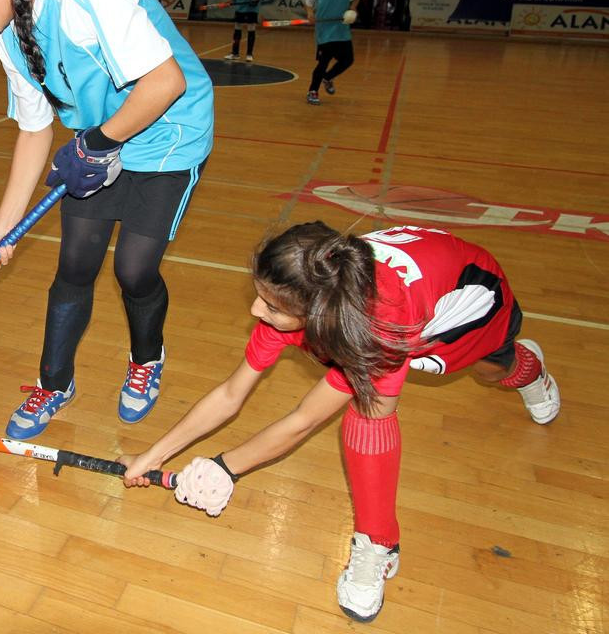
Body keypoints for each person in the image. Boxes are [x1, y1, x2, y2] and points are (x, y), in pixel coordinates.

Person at [121, 221, 560, 623]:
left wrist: (224, 468)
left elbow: (304, 420)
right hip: (405, 301)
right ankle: (380, 539)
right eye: (260, 295)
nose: (256, 310)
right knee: (366, 409)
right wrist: (152, 456)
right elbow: (231, 394)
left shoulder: (375, 326)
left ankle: (529, 370)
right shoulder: (308, 288)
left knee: (481, 375)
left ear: (318, 312)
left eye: (270, 306)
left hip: (472, 302)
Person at [0, 0, 214, 440]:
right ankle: (54, 383)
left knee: (133, 270)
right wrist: (2, 229)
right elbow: (34, 131)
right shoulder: (9, 36)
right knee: (75, 264)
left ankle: (147, 357)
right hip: (97, 139)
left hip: (168, 134)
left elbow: (166, 82)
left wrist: (98, 144)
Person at [305, 0, 359, 105]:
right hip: (324, 28)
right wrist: (310, 14)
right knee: (324, 61)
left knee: (348, 60)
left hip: (342, 27)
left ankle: (328, 78)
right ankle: (312, 91)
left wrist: (352, 9)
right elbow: (309, 2)